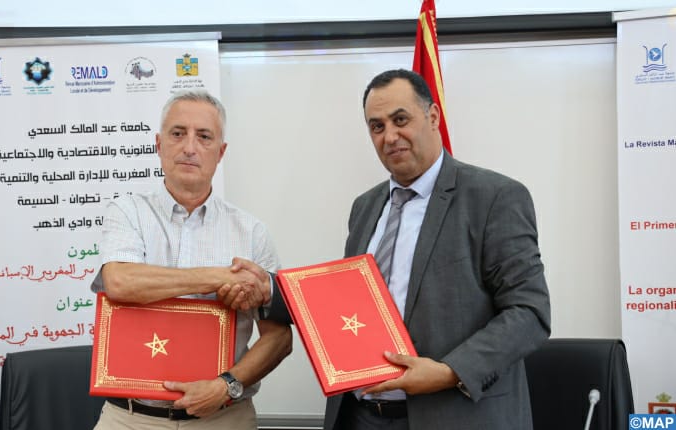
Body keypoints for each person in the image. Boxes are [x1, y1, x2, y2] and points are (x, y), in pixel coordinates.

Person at [322, 69, 552, 429]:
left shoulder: (494, 197)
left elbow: (529, 312)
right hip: (360, 416)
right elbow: (352, 303)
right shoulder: (364, 207)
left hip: (455, 415)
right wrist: (270, 290)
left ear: (432, 117)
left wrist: (449, 372)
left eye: (400, 120)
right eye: (377, 126)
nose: (389, 136)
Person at [91, 89, 292, 430]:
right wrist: (221, 278)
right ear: (158, 144)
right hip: (129, 418)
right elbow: (120, 282)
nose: (189, 147)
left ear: (221, 152)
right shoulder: (126, 211)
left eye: (204, 137)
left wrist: (226, 386)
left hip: (224, 417)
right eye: (177, 133)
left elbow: (279, 338)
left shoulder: (252, 232)